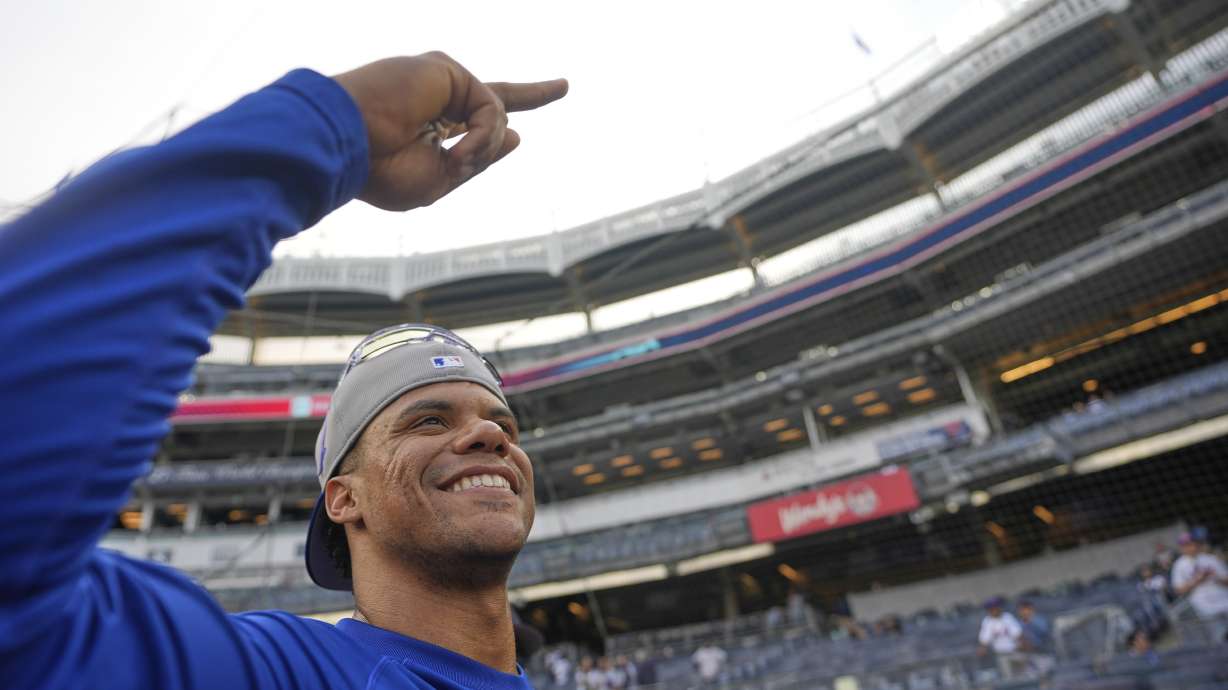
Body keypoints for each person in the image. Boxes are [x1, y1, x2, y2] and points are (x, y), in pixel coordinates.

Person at [0, 52, 567, 689]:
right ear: (344, 499)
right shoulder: (279, 672)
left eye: (502, 425)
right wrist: (332, 126)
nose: (490, 437)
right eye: (427, 420)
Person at [1170, 530, 1228, 641]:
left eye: (1192, 543)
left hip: (1225, 601)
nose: (1190, 547)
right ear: (1182, 548)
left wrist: (1214, 577)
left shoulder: (1210, 559)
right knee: (1220, 638)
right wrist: (1196, 581)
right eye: (1186, 545)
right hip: (1206, 608)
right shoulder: (1179, 565)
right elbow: (1178, 590)